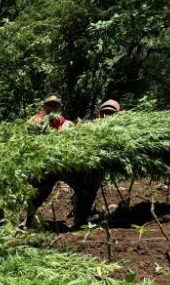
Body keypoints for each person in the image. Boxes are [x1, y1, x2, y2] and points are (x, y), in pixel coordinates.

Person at [25, 99, 122, 230]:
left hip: (83, 170)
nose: (107, 116)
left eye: (111, 113)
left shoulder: (119, 131)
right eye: (105, 112)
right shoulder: (88, 125)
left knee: (87, 192)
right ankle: (28, 220)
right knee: (42, 185)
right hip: (61, 163)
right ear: (100, 113)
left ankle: (80, 222)